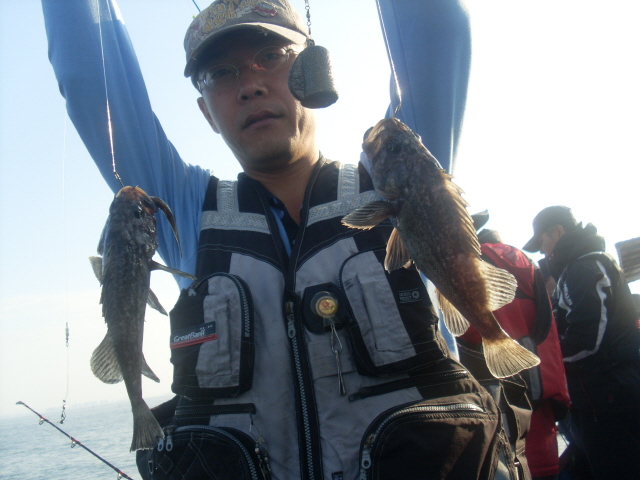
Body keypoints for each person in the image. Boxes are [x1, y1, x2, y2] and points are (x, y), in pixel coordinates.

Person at [42, 1, 511, 479]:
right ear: (206, 112)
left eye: (271, 56)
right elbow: (89, 75)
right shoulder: (184, 209)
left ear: (314, 68)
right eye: (220, 73)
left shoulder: (400, 176)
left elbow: (437, 26)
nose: (250, 85)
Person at [523, 206, 640, 480]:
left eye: (543, 242)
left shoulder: (585, 266)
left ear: (558, 231)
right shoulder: (574, 270)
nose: (543, 252)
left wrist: (536, 361)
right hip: (595, 399)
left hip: (609, 400)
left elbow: (587, 339)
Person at [457, 215, 570, 480]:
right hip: (539, 394)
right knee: (544, 470)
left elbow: (465, 332)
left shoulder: (466, 264)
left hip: (494, 399)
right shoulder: (525, 262)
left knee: (505, 467)